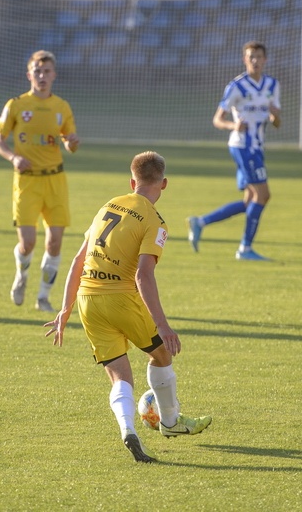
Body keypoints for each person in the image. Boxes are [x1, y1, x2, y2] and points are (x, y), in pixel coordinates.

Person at [44, 151, 212, 463]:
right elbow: (143, 275)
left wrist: (64, 311)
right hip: (120, 297)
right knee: (160, 354)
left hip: (86, 300)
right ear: (163, 184)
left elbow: (78, 260)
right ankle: (171, 423)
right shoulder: (155, 221)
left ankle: (127, 429)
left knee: (120, 377)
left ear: (131, 181)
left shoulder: (107, 205)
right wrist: (163, 325)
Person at [0, 50, 80, 314]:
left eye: (47, 72)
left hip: (55, 181)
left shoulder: (61, 107)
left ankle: (43, 297)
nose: (42, 76)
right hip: (27, 182)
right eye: (37, 72)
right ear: (29, 75)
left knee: (54, 242)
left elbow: (69, 142)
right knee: (28, 242)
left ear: (54, 75)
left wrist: (72, 143)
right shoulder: (16, 105)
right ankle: (21, 274)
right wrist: (12, 157)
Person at [187, 41, 281, 261]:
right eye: (251, 57)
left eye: (259, 57)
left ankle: (200, 222)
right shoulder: (236, 86)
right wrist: (233, 125)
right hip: (242, 146)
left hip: (257, 146)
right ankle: (245, 249)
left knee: (250, 201)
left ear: (265, 59)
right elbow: (217, 120)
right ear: (244, 59)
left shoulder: (272, 85)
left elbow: (276, 123)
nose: (255, 61)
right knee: (263, 195)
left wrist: (276, 116)